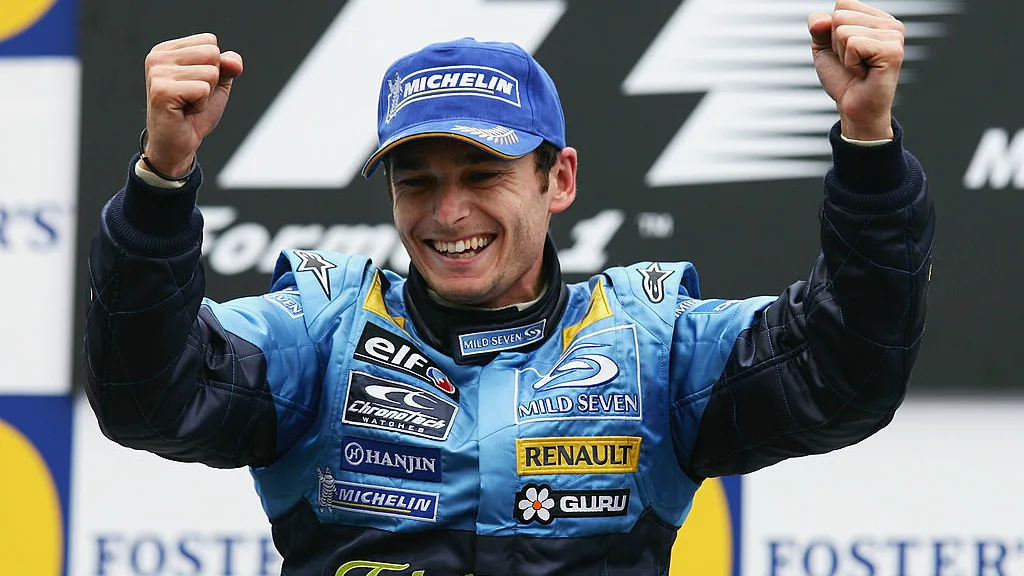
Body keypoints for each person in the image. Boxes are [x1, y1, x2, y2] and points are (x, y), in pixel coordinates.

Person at [83, 1, 932, 574]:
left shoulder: (653, 343)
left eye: (483, 174)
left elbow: (842, 377)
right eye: (417, 181)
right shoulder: (321, 332)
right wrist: (162, 182)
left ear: (558, 180)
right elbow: (149, 398)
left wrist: (867, 146)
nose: (448, 212)